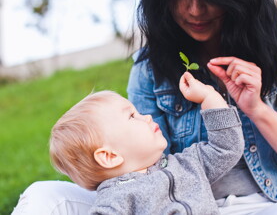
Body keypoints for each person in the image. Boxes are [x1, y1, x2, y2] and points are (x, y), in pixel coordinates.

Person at [12, 0, 277, 214]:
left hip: (266, 203)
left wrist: (253, 107)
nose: (194, 9)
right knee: (44, 196)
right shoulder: (149, 67)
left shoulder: (190, 165)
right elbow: (138, 154)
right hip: (148, 194)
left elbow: (226, 147)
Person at [52, 72, 245, 214]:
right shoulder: (116, 202)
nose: (147, 116)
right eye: (132, 116)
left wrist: (209, 97)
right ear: (110, 156)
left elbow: (226, 148)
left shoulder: (189, 164)